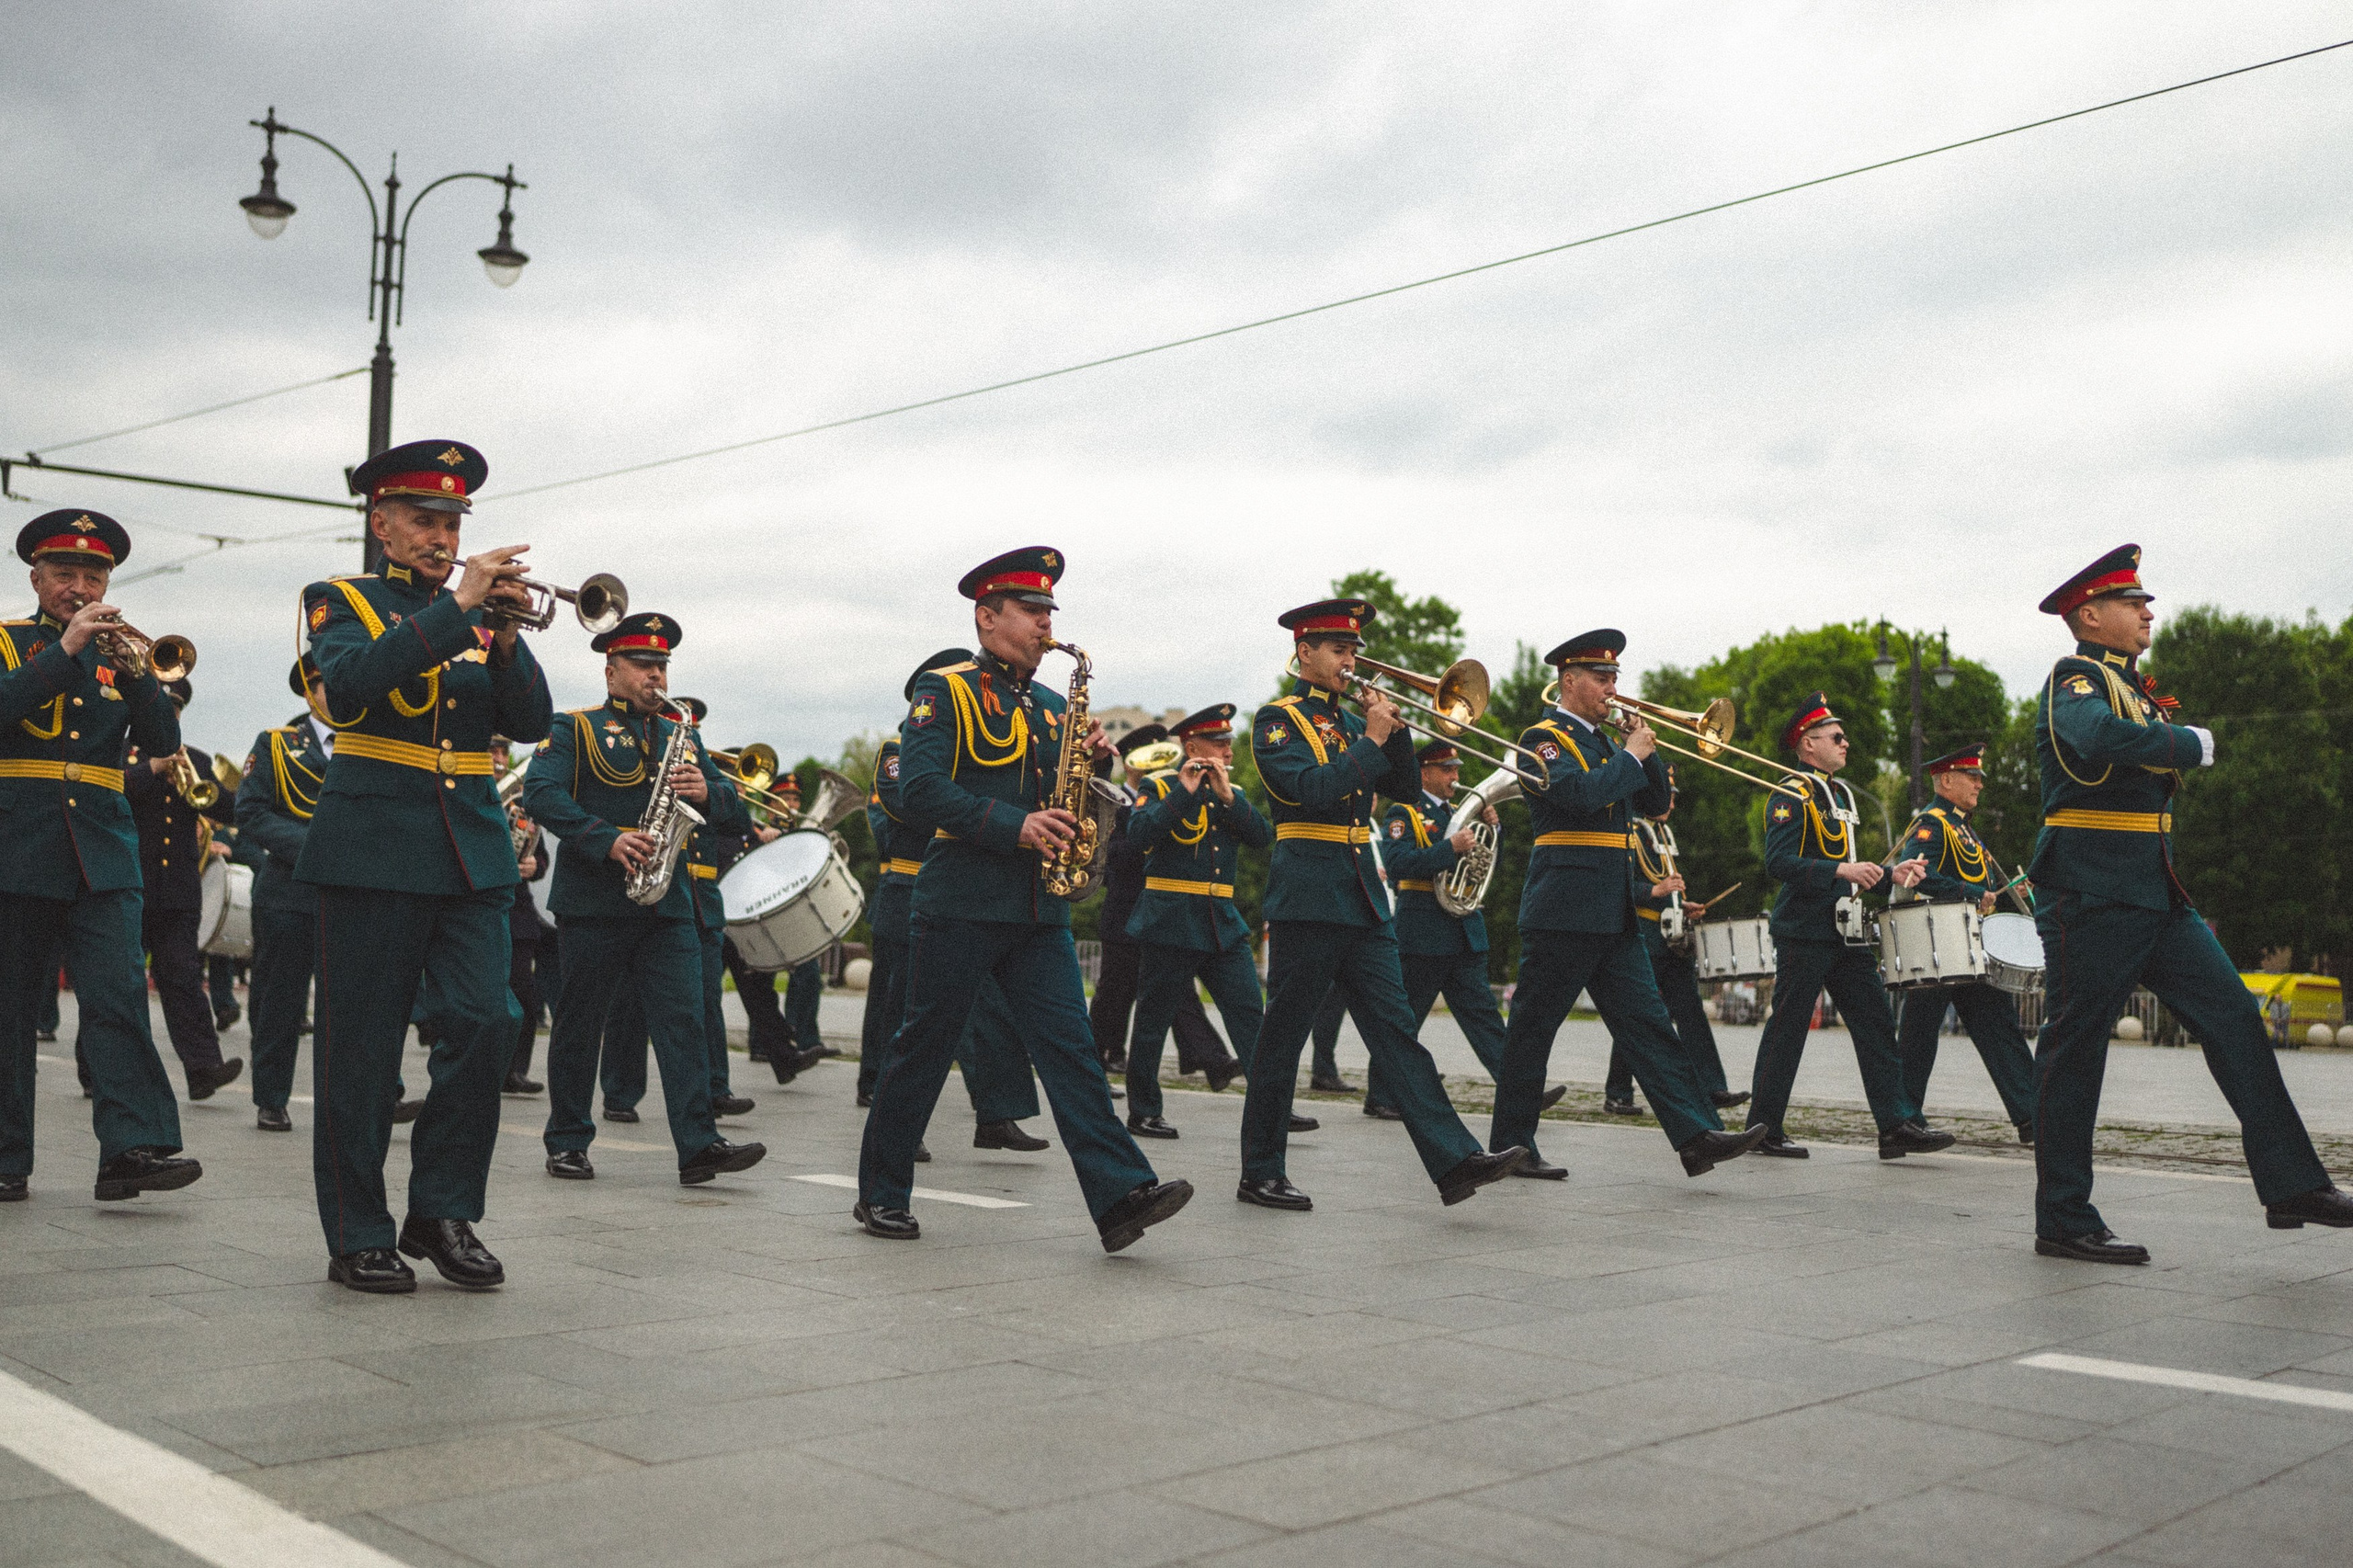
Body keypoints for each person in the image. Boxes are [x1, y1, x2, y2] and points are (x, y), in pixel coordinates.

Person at [855, 547, 1190, 1250]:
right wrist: (1017, 826)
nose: (1046, 625)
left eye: (1048, 612)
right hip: (962, 902)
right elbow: (919, 791)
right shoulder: (943, 691)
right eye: (1032, 611)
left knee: (1072, 1051)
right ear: (987, 617)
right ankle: (881, 1194)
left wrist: (1092, 763)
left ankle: (1120, 1196)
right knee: (923, 1049)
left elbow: (1061, 793)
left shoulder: (1051, 705)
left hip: (1039, 908)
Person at [2026, 546, 2352, 1262]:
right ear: (2090, 615)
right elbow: (2097, 738)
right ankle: (2063, 1218)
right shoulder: (2074, 678)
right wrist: (2187, 742)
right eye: (2131, 602)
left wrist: (2166, 737)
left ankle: (2292, 1184)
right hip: (2091, 889)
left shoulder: (2129, 686)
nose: (2147, 612)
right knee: (2075, 1050)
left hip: (2155, 891)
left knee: (2235, 1016)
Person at [297, 438, 551, 1292]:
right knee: (362, 1051)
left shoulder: (477, 619)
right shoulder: (340, 600)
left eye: (452, 523)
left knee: (488, 1022)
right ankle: (358, 1231)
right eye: (424, 520)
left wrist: (506, 639)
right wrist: (461, 609)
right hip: (372, 847)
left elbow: (531, 722)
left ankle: (441, 1209)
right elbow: (351, 688)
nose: (442, 537)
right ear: (383, 526)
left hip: (469, 849)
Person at [1241, 597, 1527, 1210]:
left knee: (1398, 1035)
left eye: (1353, 650)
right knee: (1282, 1041)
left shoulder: (1351, 723)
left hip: (1363, 901)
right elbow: (1312, 789)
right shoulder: (1277, 721)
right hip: (1309, 895)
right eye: (1338, 649)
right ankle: (1259, 1171)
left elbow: (1402, 788)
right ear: (1304, 652)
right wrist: (1371, 737)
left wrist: (1395, 731)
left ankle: (1454, 1159)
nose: (1350, 660)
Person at [1488, 631, 1763, 1180]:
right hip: (1564, 906)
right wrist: (1631, 756)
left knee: (1649, 1026)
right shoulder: (1541, 739)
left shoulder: (1611, 746)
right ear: (1569, 682)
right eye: (1601, 679)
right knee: (1533, 1030)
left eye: (1614, 678)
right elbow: (1577, 797)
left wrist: (1647, 752)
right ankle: (1513, 1145)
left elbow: (1656, 804)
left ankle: (1696, 1136)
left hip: (1612, 910)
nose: (1612, 688)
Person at [1, 510, 203, 1205]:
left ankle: (131, 1149)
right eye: (65, 575)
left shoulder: (123, 657)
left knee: (118, 997)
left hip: (103, 847)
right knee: (9, 1008)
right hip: (18, 842)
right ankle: (5, 1158)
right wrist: (64, 651)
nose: (79, 588)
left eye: (92, 577)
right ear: (36, 579)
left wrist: (141, 676)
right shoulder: (9, 642)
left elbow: (162, 741)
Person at [524, 612, 767, 1189]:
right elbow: (540, 793)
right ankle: (568, 1140)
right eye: (643, 664)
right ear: (611, 671)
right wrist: (605, 839)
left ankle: (698, 1145)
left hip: (668, 903)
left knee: (684, 1022)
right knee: (581, 1023)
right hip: (594, 904)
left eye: (662, 665)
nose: (656, 675)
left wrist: (710, 793)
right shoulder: (574, 728)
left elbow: (735, 811)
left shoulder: (683, 733)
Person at [1744, 691, 1954, 1160]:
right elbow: (1778, 861)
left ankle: (1895, 1125)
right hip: (1804, 929)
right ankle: (1763, 1128)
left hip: (1846, 929)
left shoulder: (1838, 794)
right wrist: (1842, 870)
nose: (1845, 743)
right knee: (1789, 1028)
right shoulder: (1792, 793)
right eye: (1835, 737)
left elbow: (1849, 866)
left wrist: (1890, 874)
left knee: (1876, 1022)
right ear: (1808, 743)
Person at [1122, 703, 1310, 1139]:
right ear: (1192, 747)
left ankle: (1273, 1107)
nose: (1228, 750)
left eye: (1228, 742)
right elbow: (1139, 836)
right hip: (1170, 920)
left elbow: (1262, 836)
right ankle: (1144, 1111)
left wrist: (1228, 799)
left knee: (1251, 1016)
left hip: (1220, 922)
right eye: (1219, 743)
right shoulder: (1159, 784)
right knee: (1153, 1019)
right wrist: (1183, 793)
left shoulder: (1232, 791)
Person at [1367, 741, 1567, 1125]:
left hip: (1462, 931)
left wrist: (1494, 829)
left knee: (1486, 1020)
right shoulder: (1404, 812)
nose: (1455, 777)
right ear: (1424, 772)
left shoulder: (1462, 812)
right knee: (1405, 1019)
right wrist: (1449, 848)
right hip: (1423, 931)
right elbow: (1397, 864)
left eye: (1456, 769)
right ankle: (1380, 1095)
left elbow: (1482, 862)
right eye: (1447, 770)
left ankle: (1520, 1090)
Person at [1888, 743, 2035, 1143]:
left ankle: (2033, 1115)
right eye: (1972, 777)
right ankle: (1902, 1121)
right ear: (1946, 780)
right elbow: (1915, 874)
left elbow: (1981, 886)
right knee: (1919, 1034)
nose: (1979, 784)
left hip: (1970, 945)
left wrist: (2004, 892)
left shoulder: (1965, 829)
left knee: (1999, 1026)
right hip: (1939, 944)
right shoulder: (1931, 824)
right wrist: (1970, 892)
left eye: (1979, 777)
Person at [113, 677, 243, 1100]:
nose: (169, 714)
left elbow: (230, 810)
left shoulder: (196, 760)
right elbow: (110, 793)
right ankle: (94, 1069)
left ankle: (203, 1070)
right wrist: (152, 770)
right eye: (162, 705)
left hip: (178, 890)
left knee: (184, 979)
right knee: (120, 981)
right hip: (129, 884)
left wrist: (210, 786)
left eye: (176, 708)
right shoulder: (120, 752)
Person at [1088, 726, 1230, 1086]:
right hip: (1126, 912)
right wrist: (1150, 835)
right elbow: (1112, 855)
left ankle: (1210, 1060)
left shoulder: (1170, 796)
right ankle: (1094, 1063)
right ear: (1131, 763)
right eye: (1149, 756)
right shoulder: (1115, 801)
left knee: (1177, 989)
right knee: (1113, 996)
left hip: (1161, 913)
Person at [1603, 771, 1744, 1114]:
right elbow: (1616, 885)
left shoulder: (1662, 833)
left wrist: (1683, 905)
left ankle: (1712, 1087)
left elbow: (1667, 887)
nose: (1673, 803)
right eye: (1668, 795)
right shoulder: (1629, 831)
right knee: (1637, 1014)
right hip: (1644, 935)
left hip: (1673, 938)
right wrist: (1656, 891)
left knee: (1691, 1013)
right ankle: (1618, 1092)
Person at [232, 656, 332, 1131]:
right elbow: (250, 811)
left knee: (359, 1001)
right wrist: (314, 848)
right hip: (289, 892)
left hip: (353, 894)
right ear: (310, 692)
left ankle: (378, 1093)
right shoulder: (277, 744)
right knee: (280, 1000)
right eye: (329, 684)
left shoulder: (370, 743)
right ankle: (272, 1097)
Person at [492, 734, 551, 1096]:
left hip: (517, 912)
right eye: (492, 751)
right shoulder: (472, 796)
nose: (499, 758)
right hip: (480, 908)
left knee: (524, 997)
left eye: (503, 752)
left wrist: (533, 866)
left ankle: (515, 1070)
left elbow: (540, 855)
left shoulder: (521, 804)